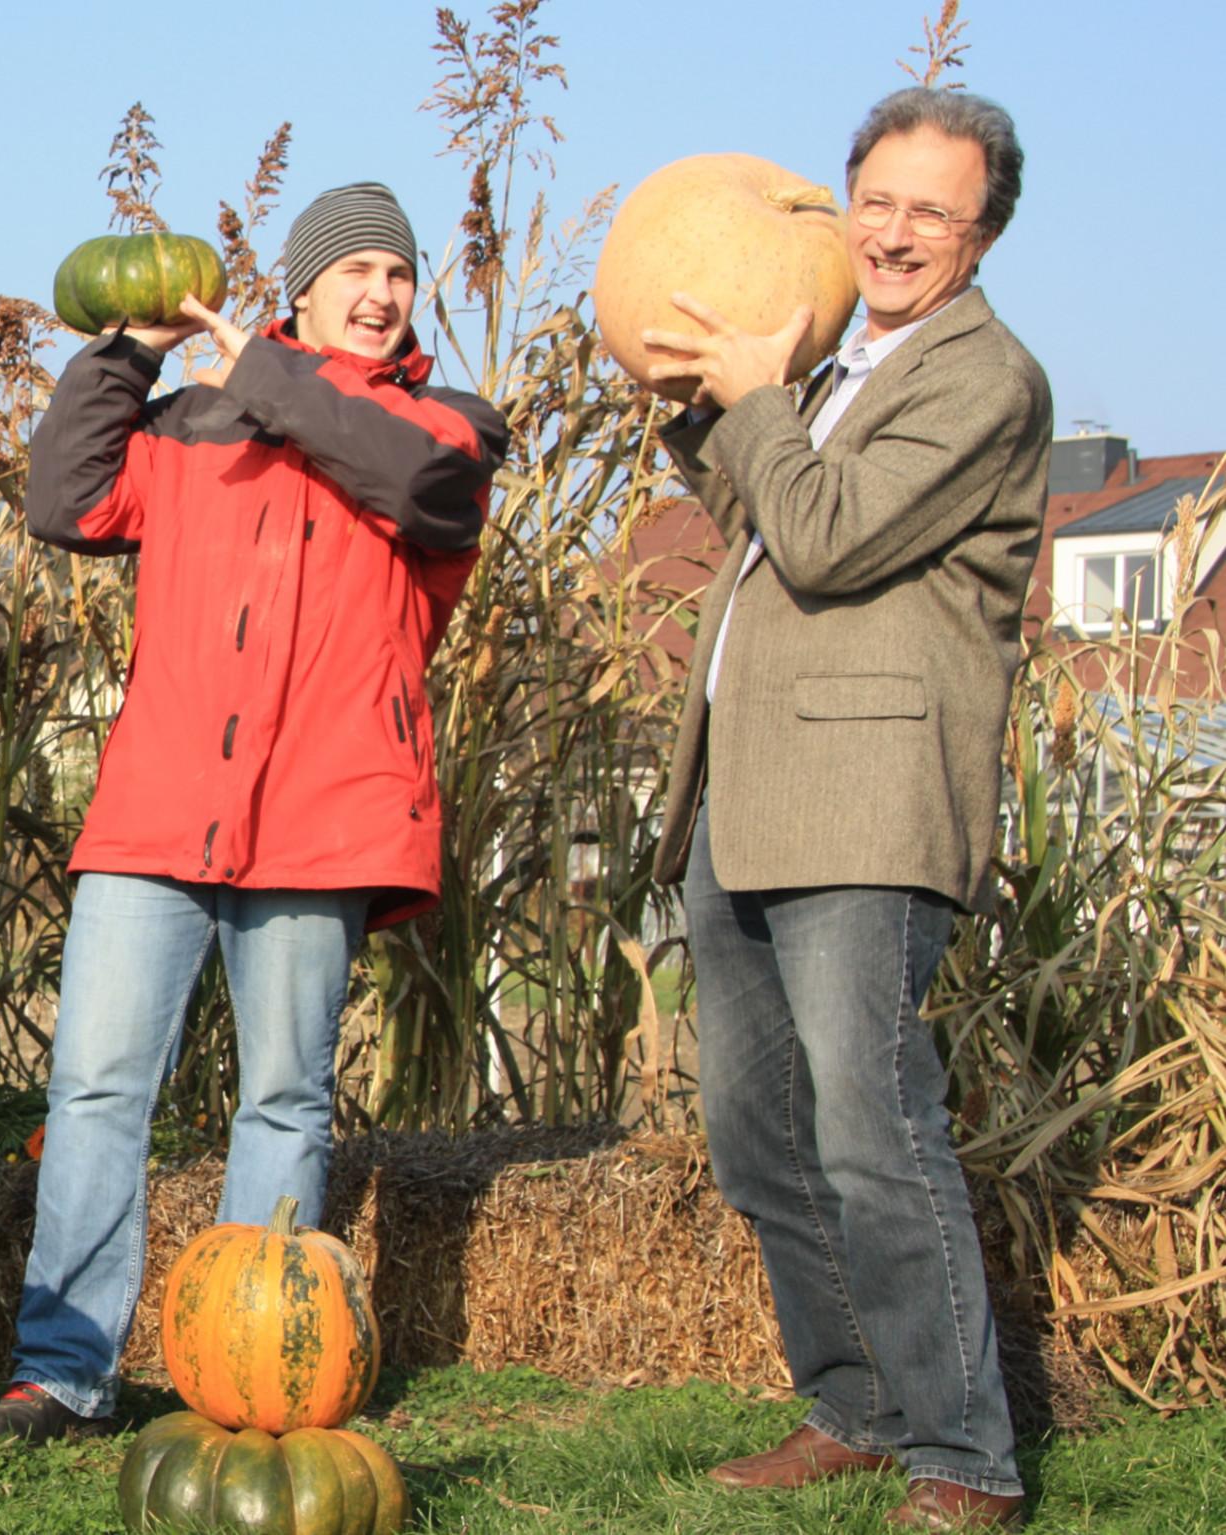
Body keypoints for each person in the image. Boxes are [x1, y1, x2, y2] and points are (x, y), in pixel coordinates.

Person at [0, 183, 509, 1445]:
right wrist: (124, 355)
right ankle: (64, 1372)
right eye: (354, 270)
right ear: (301, 285)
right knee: (98, 1085)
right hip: (160, 807)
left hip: (325, 811)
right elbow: (65, 500)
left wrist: (261, 371)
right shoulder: (197, 423)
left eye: (398, 272)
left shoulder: (442, 428)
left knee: (282, 1098)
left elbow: (408, 483)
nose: (379, 293)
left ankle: (254, 1368)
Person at [637, 88, 1047, 1529]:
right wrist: (698, 400)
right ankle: (856, 1404)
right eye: (875, 198)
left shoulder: (980, 379)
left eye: (931, 210)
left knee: (873, 1125)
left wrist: (754, 400)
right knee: (760, 1133)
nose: (893, 231)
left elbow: (819, 533)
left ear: (979, 232)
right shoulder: (824, 361)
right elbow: (755, 503)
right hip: (742, 791)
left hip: (866, 802)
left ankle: (964, 1453)